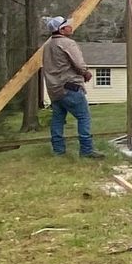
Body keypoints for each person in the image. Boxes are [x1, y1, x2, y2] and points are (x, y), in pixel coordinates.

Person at [40, 16, 102, 159]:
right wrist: (85, 73)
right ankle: (86, 150)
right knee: (83, 117)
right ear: (61, 30)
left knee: (58, 119)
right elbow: (79, 64)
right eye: (67, 25)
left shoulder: (47, 45)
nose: (71, 27)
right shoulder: (67, 43)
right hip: (70, 86)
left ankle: (58, 151)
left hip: (54, 89)